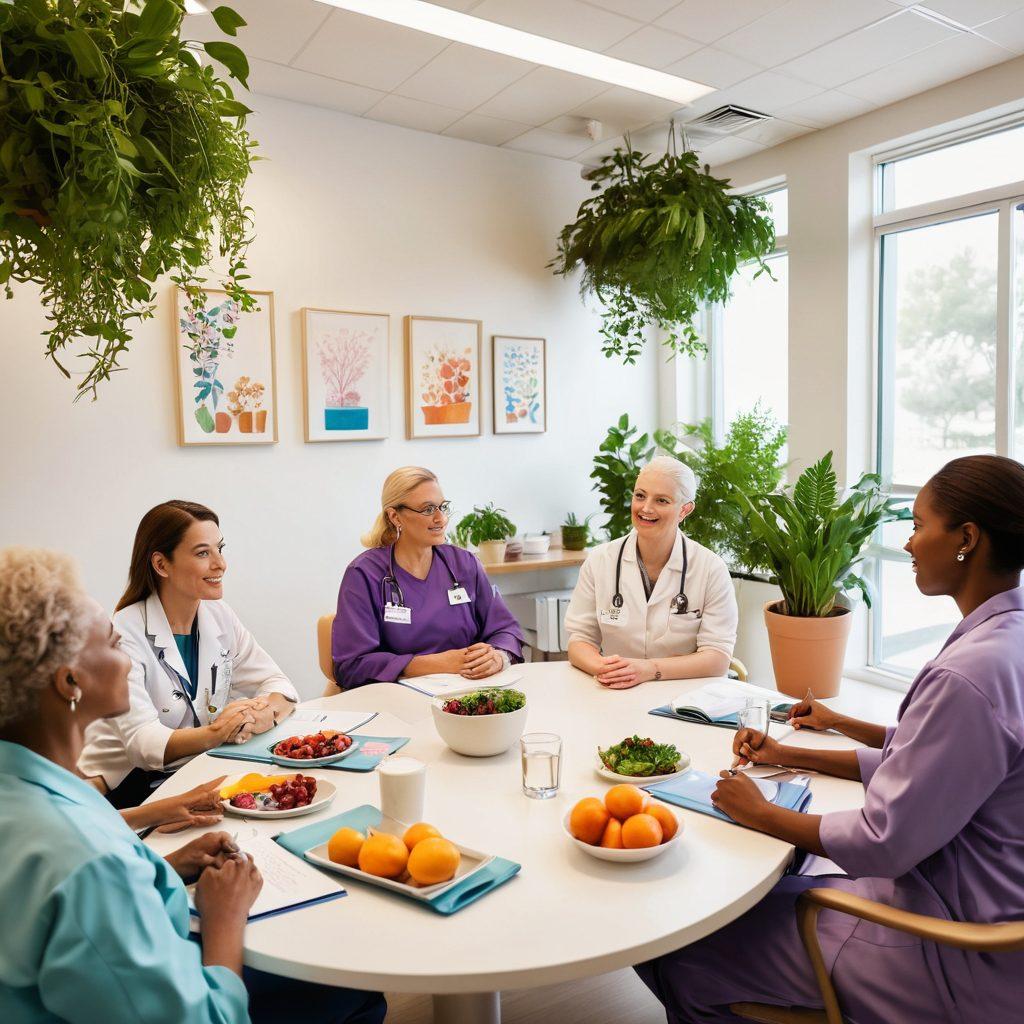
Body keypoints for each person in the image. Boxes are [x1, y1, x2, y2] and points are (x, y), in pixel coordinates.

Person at [637, 454, 1024, 1023]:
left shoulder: (972, 673)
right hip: (975, 904)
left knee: (675, 944)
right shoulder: (1005, 638)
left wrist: (759, 811)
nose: (910, 544)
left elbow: (884, 840)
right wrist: (791, 752)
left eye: (918, 526)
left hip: (951, 945)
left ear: (967, 538)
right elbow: (926, 756)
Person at [0, 547, 385, 1024]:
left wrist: (165, 866)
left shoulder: (24, 787)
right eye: (111, 643)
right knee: (352, 989)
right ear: (70, 682)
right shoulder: (86, 864)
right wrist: (225, 915)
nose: (126, 658)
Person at [79, 500, 298, 808]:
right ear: (161, 565)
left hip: (193, 771)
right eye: (202, 553)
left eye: (220, 549)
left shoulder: (219, 615)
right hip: (127, 786)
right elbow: (145, 743)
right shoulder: (125, 631)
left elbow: (279, 685)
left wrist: (262, 716)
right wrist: (217, 732)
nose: (220, 564)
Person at [331, 467, 524, 691]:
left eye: (442, 507)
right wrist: (432, 664)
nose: (440, 518)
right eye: (427, 509)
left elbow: (506, 630)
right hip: (395, 700)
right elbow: (351, 665)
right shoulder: (364, 574)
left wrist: (498, 657)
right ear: (395, 516)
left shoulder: (464, 564)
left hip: (466, 693)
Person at [564, 456, 738, 688]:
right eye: (640, 496)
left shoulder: (710, 569)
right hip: (616, 692)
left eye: (662, 500)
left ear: (685, 510)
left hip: (685, 698)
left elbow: (717, 658)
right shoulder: (600, 561)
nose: (646, 508)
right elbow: (580, 641)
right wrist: (612, 671)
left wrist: (649, 670)